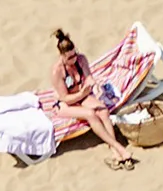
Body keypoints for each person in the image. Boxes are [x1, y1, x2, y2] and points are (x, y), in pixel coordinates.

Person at [47, 29, 137, 169]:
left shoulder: (81, 60)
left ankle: (115, 152)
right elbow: (65, 98)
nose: (73, 59)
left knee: (103, 111)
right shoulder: (57, 71)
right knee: (90, 114)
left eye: (74, 55)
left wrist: (94, 86)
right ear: (62, 56)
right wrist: (82, 93)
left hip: (81, 95)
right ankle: (119, 148)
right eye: (69, 58)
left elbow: (88, 77)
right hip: (65, 103)